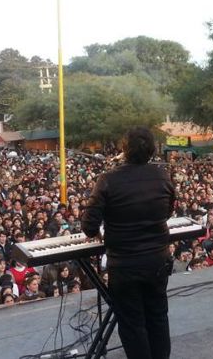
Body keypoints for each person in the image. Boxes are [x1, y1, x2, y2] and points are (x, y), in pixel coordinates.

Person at [82, 126, 175, 359]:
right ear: (152, 150)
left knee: (133, 323)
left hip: (125, 265)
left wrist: (102, 230)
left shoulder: (108, 180)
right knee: (158, 316)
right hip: (157, 260)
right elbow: (167, 212)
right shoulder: (162, 176)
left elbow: (89, 226)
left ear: (124, 150)